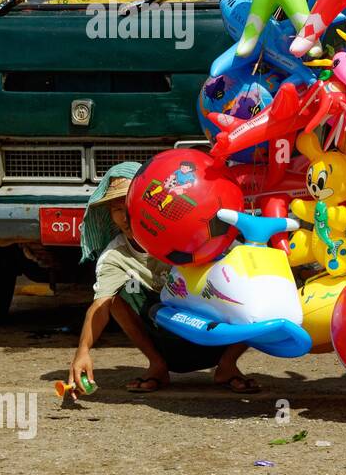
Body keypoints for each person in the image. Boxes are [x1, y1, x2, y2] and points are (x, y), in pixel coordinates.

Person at [67, 163, 259, 394]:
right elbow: (99, 305)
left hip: (217, 333)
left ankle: (228, 365)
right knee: (115, 301)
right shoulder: (115, 255)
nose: (126, 217)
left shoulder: (187, 231)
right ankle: (157, 365)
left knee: (256, 289)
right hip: (165, 337)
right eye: (117, 209)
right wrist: (83, 352)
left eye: (130, 205)